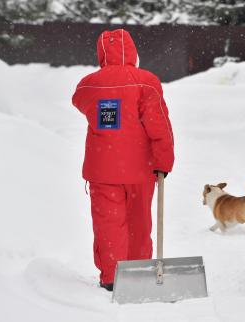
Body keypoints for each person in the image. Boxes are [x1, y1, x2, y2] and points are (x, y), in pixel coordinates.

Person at [72, 29, 174, 291]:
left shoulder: (88, 84)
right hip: (140, 169)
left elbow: (79, 101)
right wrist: (164, 161)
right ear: (133, 52)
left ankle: (111, 277)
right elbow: (159, 126)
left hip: (102, 169)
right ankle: (139, 271)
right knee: (139, 221)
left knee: (108, 223)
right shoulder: (146, 82)